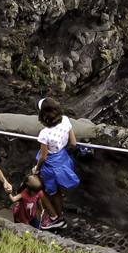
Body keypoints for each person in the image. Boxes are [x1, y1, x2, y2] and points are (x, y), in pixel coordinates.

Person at [33, 98, 79, 229]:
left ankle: (55, 217)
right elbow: (73, 143)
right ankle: (59, 215)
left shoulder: (45, 133)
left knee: (44, 191)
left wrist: (37, 169)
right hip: (63, 160)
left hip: (50, 167)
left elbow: (43, 157)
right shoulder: (65, 120)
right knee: (57, 191)